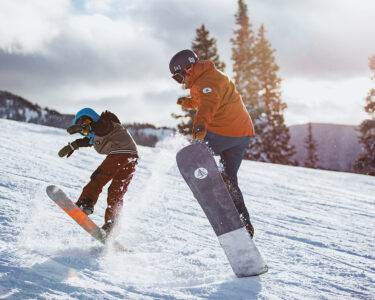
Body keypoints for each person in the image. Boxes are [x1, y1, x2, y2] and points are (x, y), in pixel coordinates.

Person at [169, 49, 255, 238]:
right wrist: (188, 102)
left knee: (196, 156)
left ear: (189, 68)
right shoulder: (210, 78)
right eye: (176, 79)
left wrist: (199, 128)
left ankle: (215, 185)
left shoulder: (205, 82)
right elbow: (204, 98)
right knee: (230, 176)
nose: (180, 81)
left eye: (179, 76)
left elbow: (208, 104)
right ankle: (242, 219)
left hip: (225, 131)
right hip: (241, 134)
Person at [58, 108, 138, 239]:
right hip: (131, 158)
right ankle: (113, 224)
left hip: (120, 153)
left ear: (93, 119)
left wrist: (83, 127)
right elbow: (86, 141)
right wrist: (73, 145)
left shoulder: (105, 124)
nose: (85, 128)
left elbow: (101, 127)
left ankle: (85, 203)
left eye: (86, 122)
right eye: (82, 128)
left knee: (98, 177)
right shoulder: (95, 136)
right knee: (116, 191)